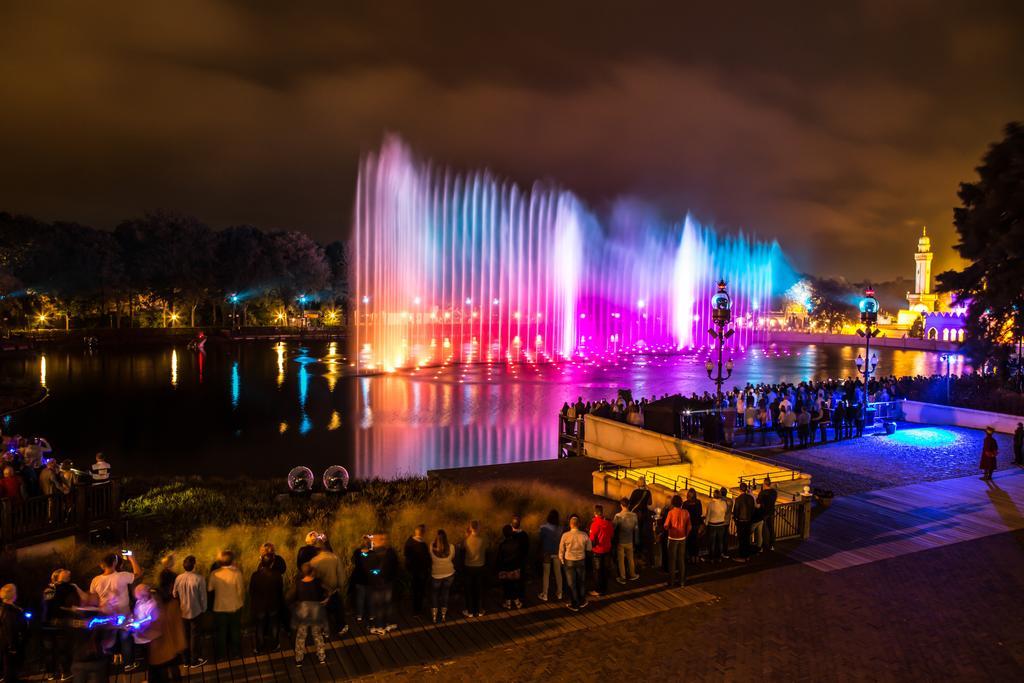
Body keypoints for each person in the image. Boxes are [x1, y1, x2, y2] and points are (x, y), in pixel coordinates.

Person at [90, 551, 141, 670]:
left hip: (105, 614)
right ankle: (128, 664)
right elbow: (138, 573)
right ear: (114, 563)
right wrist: (132, 558)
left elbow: (92, 598)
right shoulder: (121, 576)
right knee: (125, 638)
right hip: (123, 613)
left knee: (108, 639)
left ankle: (107, 665)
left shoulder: (95, 580)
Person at [208, 550, 244, 661]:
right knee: (235, 630)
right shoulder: (237, 573)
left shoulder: (214, 574)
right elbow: (240, 591)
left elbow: (210, 589)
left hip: (219, 607)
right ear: (232, 561)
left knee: (221, 632)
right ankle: (236, 653)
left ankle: (221, 655)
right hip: (234, 606)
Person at [172, 555, 207, 668]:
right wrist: (204, 609)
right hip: (195, 611)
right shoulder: (199, 578)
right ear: (194, 565)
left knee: (185, 636)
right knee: (195, 636)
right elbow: (203, 597)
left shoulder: (178, 578)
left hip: (183, 611)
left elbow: (174, 593)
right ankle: (194, 660)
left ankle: (186, 660)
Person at [310, 536, 348, 637]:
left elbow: (311, 577)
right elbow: (341, 575)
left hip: (321, 591)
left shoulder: (314, 561)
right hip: (333, 589)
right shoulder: (334, 558)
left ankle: (324, 631)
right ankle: (341, 627)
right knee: (338, 610)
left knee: (323, 611)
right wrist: (340, 585)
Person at [292, 563, 327, 666]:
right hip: (315, 613)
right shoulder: (317, 583)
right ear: (312, 572)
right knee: (317, 635)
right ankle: (321, 657)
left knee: (301, 636)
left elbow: (293, 598)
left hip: (304, 614)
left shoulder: (299, 584)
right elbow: (323, 595)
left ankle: (299, 658)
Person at [249, 554, 285, 654]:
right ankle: (275, 645)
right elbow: (280, 590)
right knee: (274, 624)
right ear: (272, 563)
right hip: (273, 604)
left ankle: (259, 646)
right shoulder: (277, 575)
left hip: (260, 605)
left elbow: (251, 591)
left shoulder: (255, 575)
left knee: (259, 626)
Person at [366, 532, 399, 635]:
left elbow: (369, 569)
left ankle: (380, 627)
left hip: (378, 584)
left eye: (373, 539)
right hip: (389, 582)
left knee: (379, 605)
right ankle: (389, 623)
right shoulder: (391, 552)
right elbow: (396, 566)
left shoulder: (372, 553)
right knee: (388, 603)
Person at [557, 514, 592, 612]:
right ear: (579, 524)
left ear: (570, 524)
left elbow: (561, 550)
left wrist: (562, 560)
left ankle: (575, 604)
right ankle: (582, 601)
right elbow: (589, 548)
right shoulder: (584, 535)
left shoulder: (565, 535)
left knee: (571, 583)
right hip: (581, 560)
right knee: (581, 582)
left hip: (569, 561)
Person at [128, 585, 161, 679]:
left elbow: (151, 620)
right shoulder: (139, 602)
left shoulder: (153, 605)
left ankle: (154, 679)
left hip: (148, 639)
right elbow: (136, 614)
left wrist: (137, 625)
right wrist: (131, 619)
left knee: (152, 663)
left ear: (145, 595)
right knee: (147, 662)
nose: (138, 599)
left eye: (139, 597)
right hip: (140, 637)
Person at [664, 495, 692, 588]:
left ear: (673, 503)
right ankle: (682, 582)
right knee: (681, 560)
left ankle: (671, 582)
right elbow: (689, 527)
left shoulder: (671, 512)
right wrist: (685, 535)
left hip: (672, 538)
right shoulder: (686, 512)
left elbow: (666, 525)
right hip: (682, 538)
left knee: (672, 561)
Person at [0, 583, 27, 683]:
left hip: (6, 641)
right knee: (10, 666)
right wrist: (12, 646)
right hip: (10, 643)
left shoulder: (5, 608)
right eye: (15, 592)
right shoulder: (9, 611)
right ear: (13, 595)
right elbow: (10, 628)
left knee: (9, 664)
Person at [402, 524, 431, 616]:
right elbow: (427, 560)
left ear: (415, 531)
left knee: (414, 590)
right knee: (420, 591)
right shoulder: (423, 545)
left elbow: (406, 555)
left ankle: (415, 609)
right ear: (423, 533)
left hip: (412, 570)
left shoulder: (409, 541)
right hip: (421, 572)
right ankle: (418, 610)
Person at [429, 529, 456, 623]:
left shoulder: (431, 546)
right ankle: (443, 615)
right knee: (445, 593)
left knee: (434, 594)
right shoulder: (451, 547)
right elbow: (452, 558)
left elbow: (430, 557)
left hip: (436, 574)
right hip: (449, 573)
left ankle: (434, 616)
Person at [462, 521, 487, 617]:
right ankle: (480, 610)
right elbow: (487, 548)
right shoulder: (483, 539)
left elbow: (462, 549)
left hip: (468, 567)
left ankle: (470, 611)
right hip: (480, 566)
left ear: (470, 528)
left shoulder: (466, 540)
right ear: (479, 527)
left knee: (469, 589)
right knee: (479, 589)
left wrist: (466, 535)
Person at [496, 525, 524, 609]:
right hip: (515, 568)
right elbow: (520, 556)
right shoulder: (517, 543)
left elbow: (499, 558)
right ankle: (517, 602)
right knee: (515, 585)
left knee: (507, 585)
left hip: (506, 569)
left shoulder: (502, 545)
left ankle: (508, 603)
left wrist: (498, 568)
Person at [537, 510, 563, 602]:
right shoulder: (560, 528)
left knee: (546, 574)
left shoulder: (543, 527)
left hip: (546, 553)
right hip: (557, 553)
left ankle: (545, 594)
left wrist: (539, 552)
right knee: (558, 573)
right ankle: (559, 593)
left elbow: (540, 541)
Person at [588, 505, 613, 597]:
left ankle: (598, 590)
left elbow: (591, 539)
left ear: (595, 513)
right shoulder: (608, 522)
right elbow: (611, 535)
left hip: (597, 551)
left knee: (597, 571)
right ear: (602, 513)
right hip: (607, 549)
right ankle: (604, 588)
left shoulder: (594, 524)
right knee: (604, 570)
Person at [612, 498, 639, 583]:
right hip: (630, 540)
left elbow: (613, 527)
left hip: (621, 541)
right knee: (630, 558)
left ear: (621, 505)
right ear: (629, 505)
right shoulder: (634, 515)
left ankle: (623, 578)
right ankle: (632, 574)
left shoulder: (618, 516)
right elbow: (636, 529)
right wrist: (637, 540)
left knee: (621, 560)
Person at [628, 477, 653, 564]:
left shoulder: (635, 492)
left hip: (636, 514)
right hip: (644, 514)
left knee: (635, 531)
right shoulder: (648, 492)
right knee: (642, 532)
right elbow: (650, 503)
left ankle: (636, 549)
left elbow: (630, 502)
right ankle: (642, 549)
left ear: (638, 483)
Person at [349, 536, 372, 623]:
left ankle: (359, 616)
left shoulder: (357, 552)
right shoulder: (372, 553)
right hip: (369, 578)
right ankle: (371, 615)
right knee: (370, 597)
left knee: (360, 598)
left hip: (358, 577)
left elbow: (353, 561)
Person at [733, 483, 756, 560]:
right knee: (747, 538)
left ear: (740, 489)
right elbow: (753, 509)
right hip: (748, 521)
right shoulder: (751, 498)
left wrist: (735, 519)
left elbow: (736, 511)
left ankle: (742, 556)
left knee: (741, 539)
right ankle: (747, 555)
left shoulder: (738, 499)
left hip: (741, 521)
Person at [705, 489, 729, 563]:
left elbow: (708, 515)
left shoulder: (710, 504)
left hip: (712, 524)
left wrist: (706, 524)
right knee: (720, 541)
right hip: (721, 523)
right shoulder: (724, 503)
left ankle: (711, 558)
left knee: (712, 542)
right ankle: (719, 557)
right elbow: (725, 512)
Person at [510, 515, 529, 602]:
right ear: (519, 524)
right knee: (521, 578)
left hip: (511, 561)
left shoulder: (509, 535)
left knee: (511, 580)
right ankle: (520, 595)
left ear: (512, 524)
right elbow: (527, 547)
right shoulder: (524, 534)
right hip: (521, 560)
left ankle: (511, 596)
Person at [756, 478, 778, 552]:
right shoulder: (774, 492)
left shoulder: (762, 493)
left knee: (762, 530)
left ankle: (762, 546)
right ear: (770, 484)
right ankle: (771, 545)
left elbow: (758, 502)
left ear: (764, 484)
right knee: (771, 528)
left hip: (763, 513)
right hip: (771, 512)